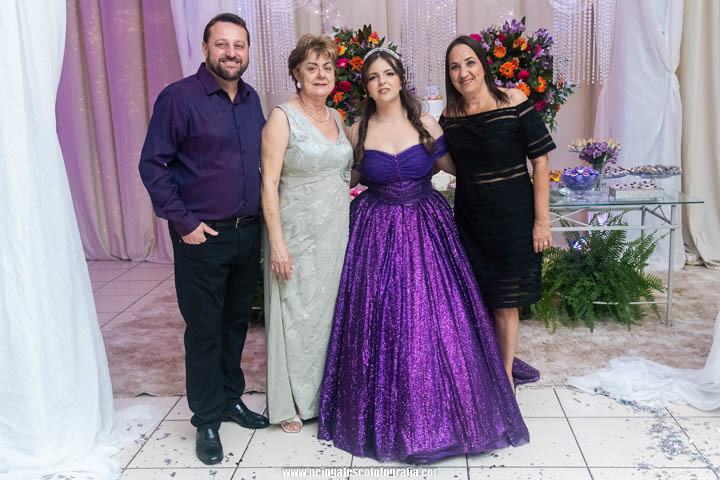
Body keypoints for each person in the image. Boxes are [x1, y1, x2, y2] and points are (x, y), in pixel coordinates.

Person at [318, 48, 535, 464]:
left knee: (434, 315)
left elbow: (460, 168)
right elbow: (345, 178)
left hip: (427, 224)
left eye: (388, 74)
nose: (382, 82)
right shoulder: (357, 130)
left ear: (401, 79)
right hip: (375, 230)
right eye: (373, 77)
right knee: (383, 318)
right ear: (367, 88)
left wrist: (505, 182)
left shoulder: (427, 123)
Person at [139, 13, 269, 466]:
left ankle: (231, 399)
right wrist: (183, 222)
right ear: (205, 48)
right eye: (222, 44)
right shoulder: (179, 98)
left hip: (247, 233)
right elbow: (153, 165)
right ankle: (207, 419)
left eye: (239, 45)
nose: (231, 53)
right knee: (204, 330)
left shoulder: (252, 99)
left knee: (236, 324)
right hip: (202, 237)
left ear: (247, 52)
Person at [440, 36, 556, 391]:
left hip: (513, 219)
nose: (463, 72)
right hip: (471, 221)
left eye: (469, 62)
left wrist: (542, 221)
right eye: (455, 67)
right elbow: (453, 165)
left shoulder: (514, 101)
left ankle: (503, 378)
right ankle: (482, 368)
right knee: (476, 299)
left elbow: (540, 162)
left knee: (506, 303)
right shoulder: (448, 117)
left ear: (483, 65)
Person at [261, 34, 353, 434]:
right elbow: (268, 184)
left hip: (335, 234)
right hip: (295, 234)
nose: (320, 74)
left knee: (328, 316)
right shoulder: (282, 117)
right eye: (311, 67)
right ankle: (291, 403)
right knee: (295, 315)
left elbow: (343, 173)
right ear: (297, 73)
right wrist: (277, 243)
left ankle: (324, 395)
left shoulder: (337, 118)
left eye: (327, 67)